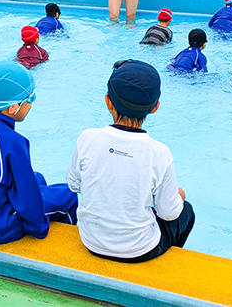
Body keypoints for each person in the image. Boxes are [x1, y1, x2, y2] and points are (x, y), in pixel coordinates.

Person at [67, 60, 194, 262]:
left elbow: (74, 185)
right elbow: (169, 213)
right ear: (155, 108)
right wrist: (179, 196)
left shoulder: (87, 138)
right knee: (186, 210)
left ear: (108, 101)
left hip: (90, 241)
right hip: (139, 251)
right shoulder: (159, 153)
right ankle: (162, 265)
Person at [0, 61, 77, 244]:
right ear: (13, 107)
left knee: (38, 177)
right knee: (68, 194)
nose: (32, 104)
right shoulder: (12, 141)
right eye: (30, 98)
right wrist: (38, 228)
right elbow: (27, 200)